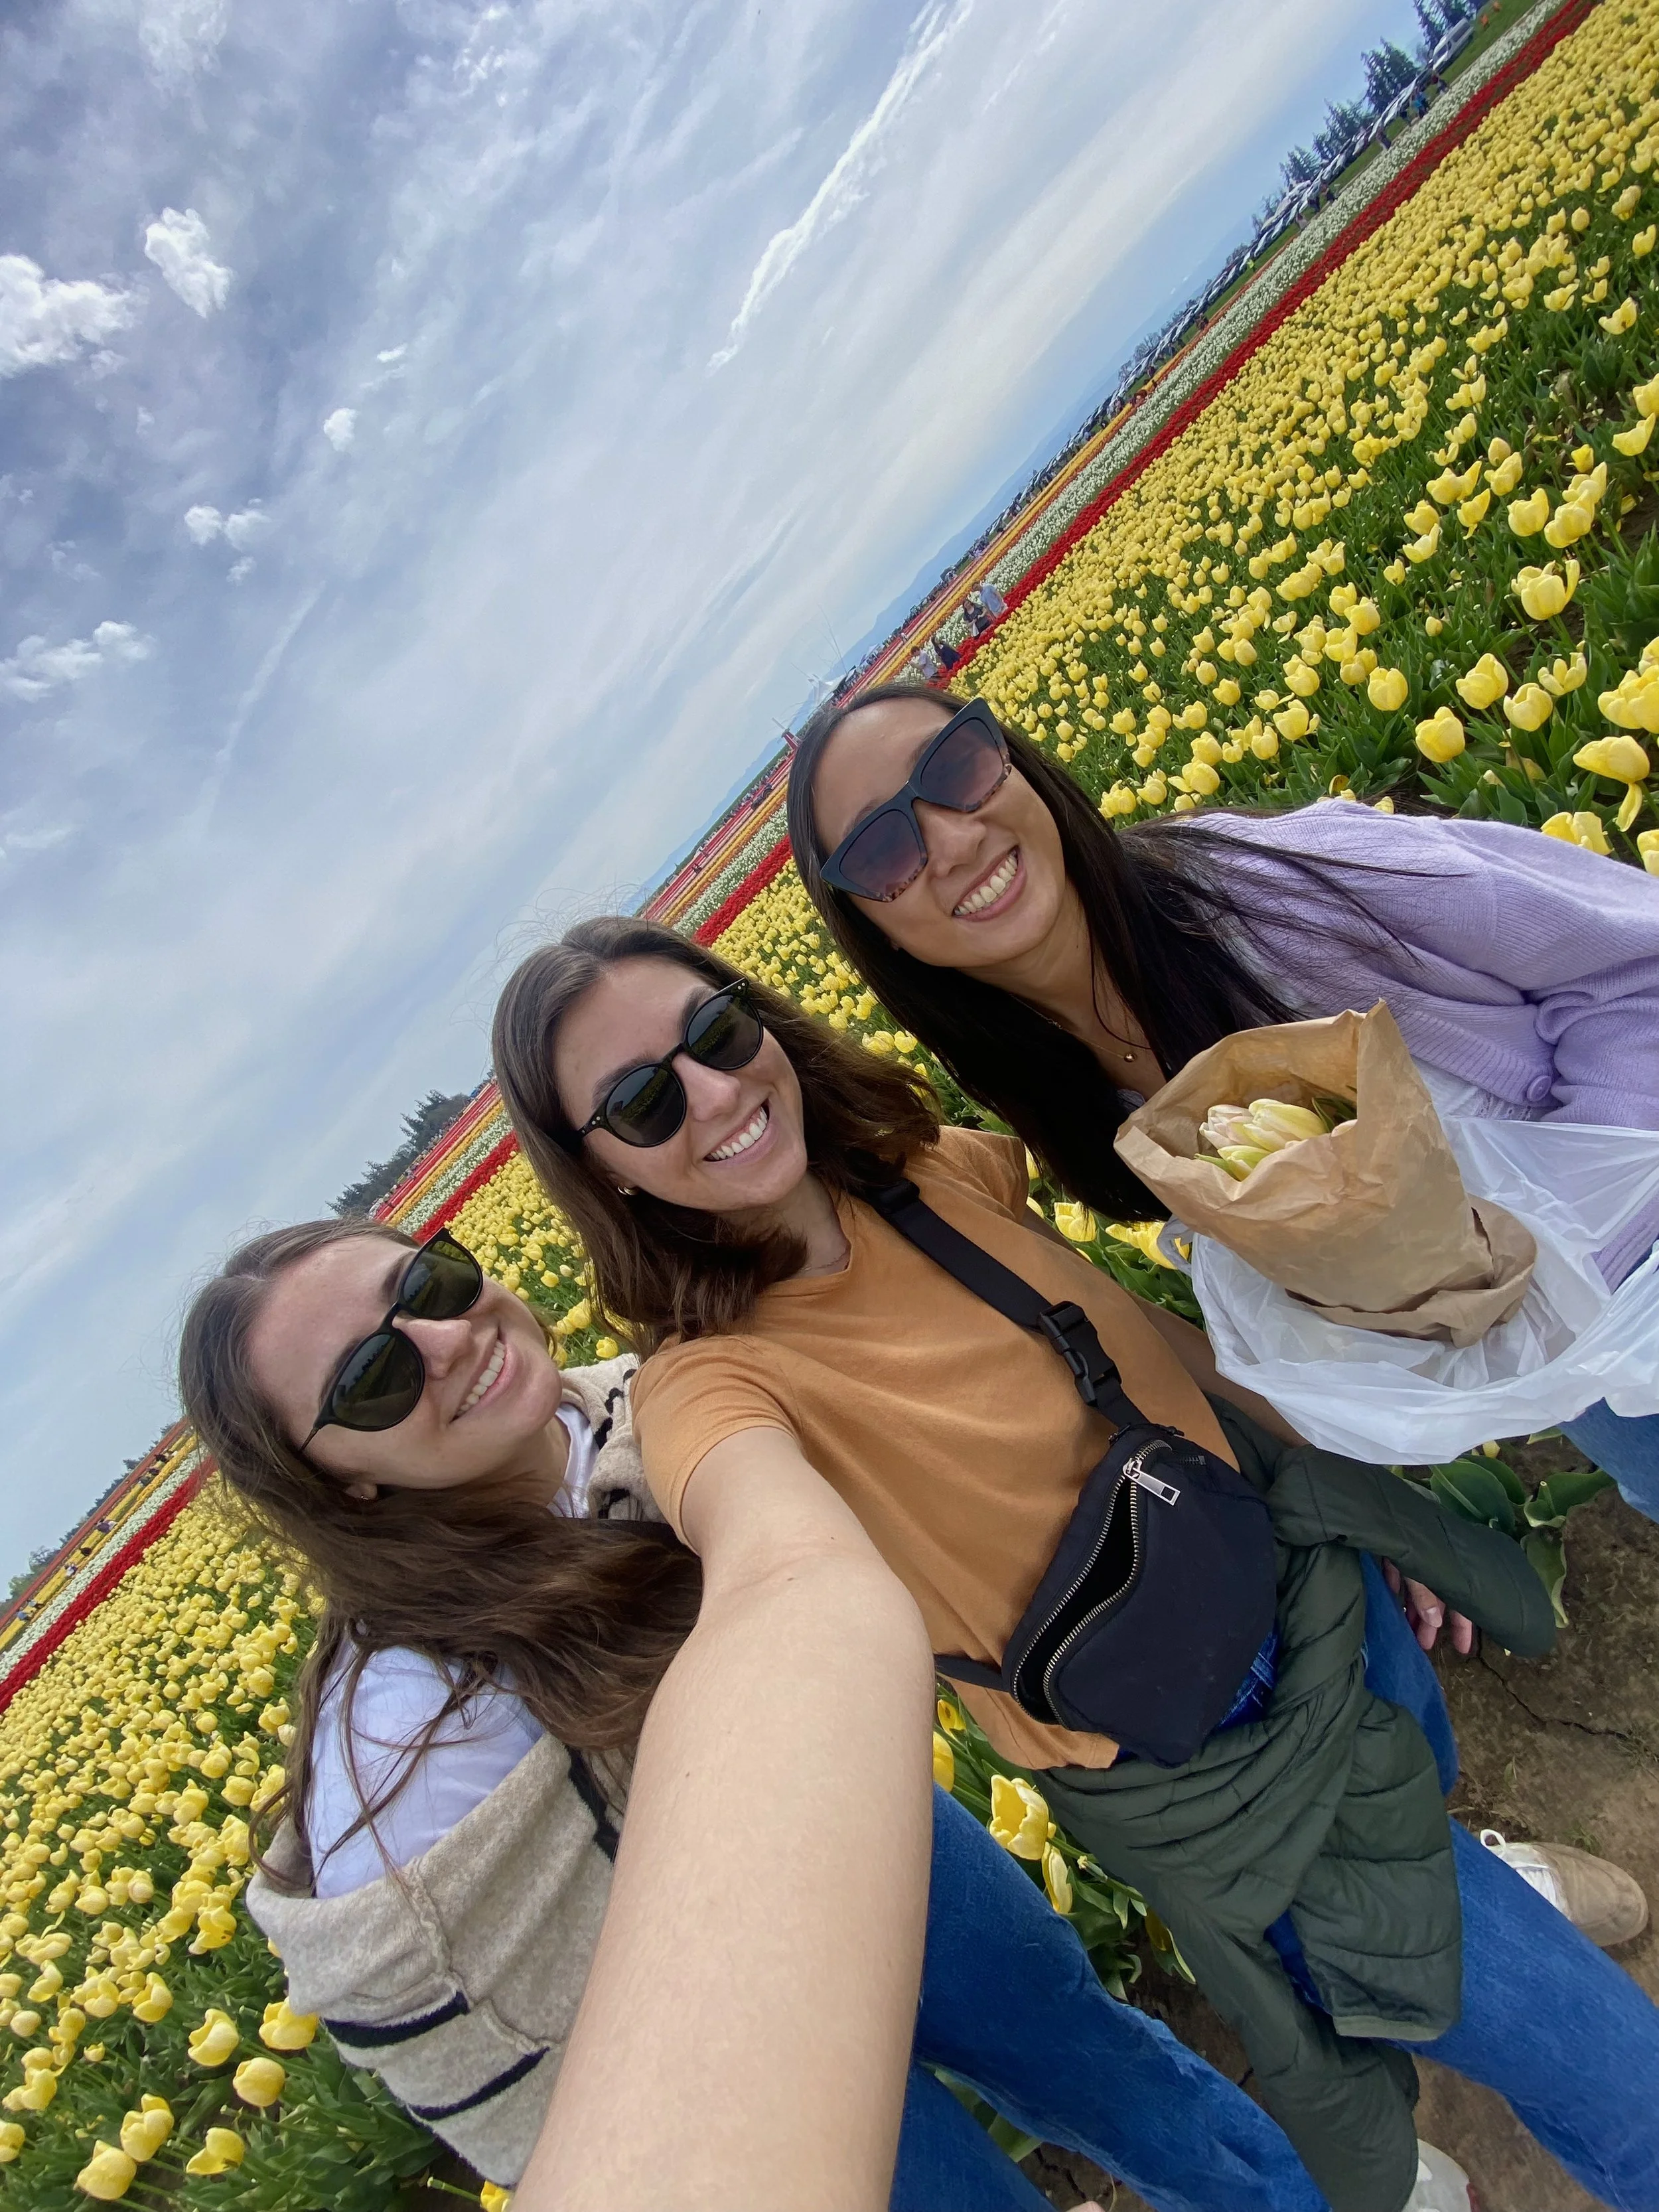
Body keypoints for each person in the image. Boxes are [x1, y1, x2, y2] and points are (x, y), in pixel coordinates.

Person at [492, 915, 1659, 2212]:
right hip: (1207, 1762)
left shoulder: (922, 1168)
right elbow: (764, 1544)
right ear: (607, 1177)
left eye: (714, 1033)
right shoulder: (705, 1386)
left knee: (1425, 1805)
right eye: (644, 1101)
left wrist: (1326, 1476)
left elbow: (1125, 1335)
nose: (713, 1093)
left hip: (1293, 1571)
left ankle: (1473, 1886)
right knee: (1627, 2090)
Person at [182, 1220, 1325, 2212]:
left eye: (427, 1287)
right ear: (337, 1482)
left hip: (871, 1827)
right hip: (722, 2049)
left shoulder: (637, 1407)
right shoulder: (411, 1734)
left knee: (1108, 2064)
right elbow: (478, 2021)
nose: (447, 1341)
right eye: (372, 1378)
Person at [785, 682, 1659, 1529]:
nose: (950, 838)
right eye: (881, 851)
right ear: (875, 928)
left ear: (1016, 764)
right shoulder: (1064, 1093)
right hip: (1570, 1366)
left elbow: (1633, 957)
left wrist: (1582, 1229)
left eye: (956, 765)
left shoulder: (1282, 889)